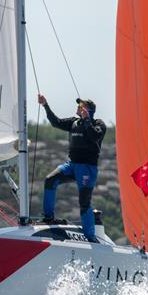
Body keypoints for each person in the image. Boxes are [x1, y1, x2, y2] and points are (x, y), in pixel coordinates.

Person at [38, 94, 106, 242]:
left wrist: (87, 119)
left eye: (81, 106)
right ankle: (48, 217)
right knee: (50, 180)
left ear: (89, 110)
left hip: (87, 168)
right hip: (72, 165)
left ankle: (90, 237)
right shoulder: (74, 122)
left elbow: (94, 137)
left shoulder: (99, 124)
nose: (78, 108)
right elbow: (56, 122)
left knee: (84, 202)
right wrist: (45, 105)